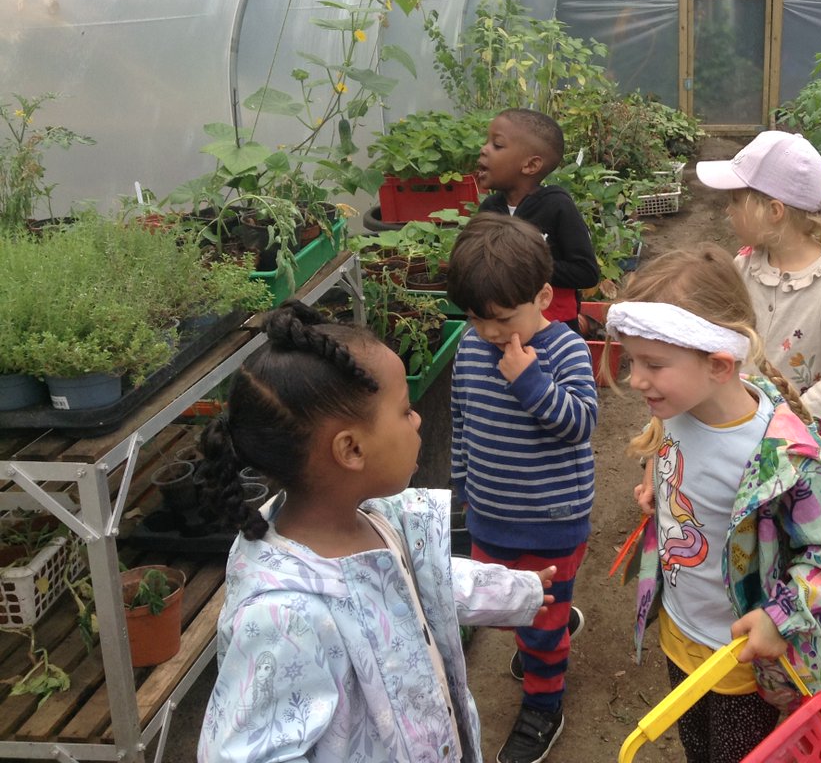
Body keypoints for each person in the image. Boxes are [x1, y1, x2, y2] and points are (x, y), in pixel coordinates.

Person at [195, 300, 553, 763]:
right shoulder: (283, 618)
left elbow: (429, 581)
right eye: (405, 410)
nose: (419, 419)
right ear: (351, 449)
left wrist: (517, 591)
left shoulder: (375, 519)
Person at [606, 244, 821, 762]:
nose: (636, 379)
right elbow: (667, 439)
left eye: (652, 364)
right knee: (696, 743)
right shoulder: (682, 402)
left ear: (720, 364)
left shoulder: (784, 456)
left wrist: (780, 617)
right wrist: (657, 479)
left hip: (742, 658)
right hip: (679, 626)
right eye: (633, 359)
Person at [447, 212, 598, 763]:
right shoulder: (469, 347)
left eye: (502, 318)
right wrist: (462, 481)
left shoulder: (563, 351)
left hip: (551, 520)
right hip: (490, 513)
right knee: (506, 600)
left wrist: (529, 380)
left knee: (539, 623)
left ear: (543, 294)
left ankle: (544, 704)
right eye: (475, 317)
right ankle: (549, 628)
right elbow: (462, 418)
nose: (488, 331)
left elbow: (581, 421)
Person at [696, 130, 821, 424]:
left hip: (800, 444)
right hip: (742, 423)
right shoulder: (745, 266)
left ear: (774, 211)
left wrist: (791, 417)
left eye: (736, 200)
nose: (728, 210)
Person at [475, 107, 600, 332]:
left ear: (531, 165)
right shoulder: (490, 209)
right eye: (487, 142)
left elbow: (586, 272)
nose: (484, 149)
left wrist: (526, 266)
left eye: (497, 145)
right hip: (500, 326)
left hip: (554, 326)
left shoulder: (557, 206)